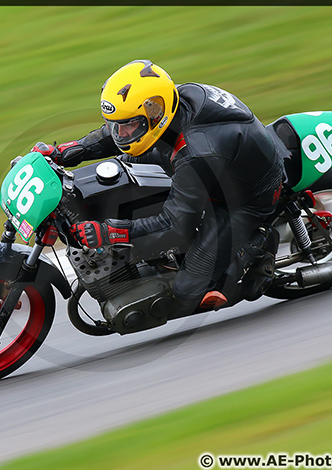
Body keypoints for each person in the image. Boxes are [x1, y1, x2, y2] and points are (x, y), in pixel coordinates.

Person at [32, 60, 288, 317]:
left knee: (188, 292)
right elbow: (116, 135)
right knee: (119, 173)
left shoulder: (196, 152)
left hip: (243, 198)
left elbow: (176, 226)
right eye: (115, 124)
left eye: (128, 125)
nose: (120, 133)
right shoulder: (164, 106)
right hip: (214, 166)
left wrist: (110, 232)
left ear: (154, 115)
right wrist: (66, 151)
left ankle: (256, 245)